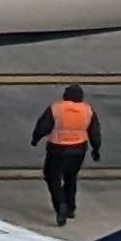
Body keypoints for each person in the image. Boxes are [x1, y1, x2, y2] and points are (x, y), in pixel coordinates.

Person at [31, 84, 100, 227]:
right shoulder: (87, 110)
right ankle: (70, 207)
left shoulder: (56, 108)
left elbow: (43, 126)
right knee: (71, 178)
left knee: (52, 177)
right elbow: (94, 132)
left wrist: (35, 139)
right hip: (78, 149)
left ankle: (60, 204)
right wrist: (96, 149)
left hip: (57, 149)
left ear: (65, 95)